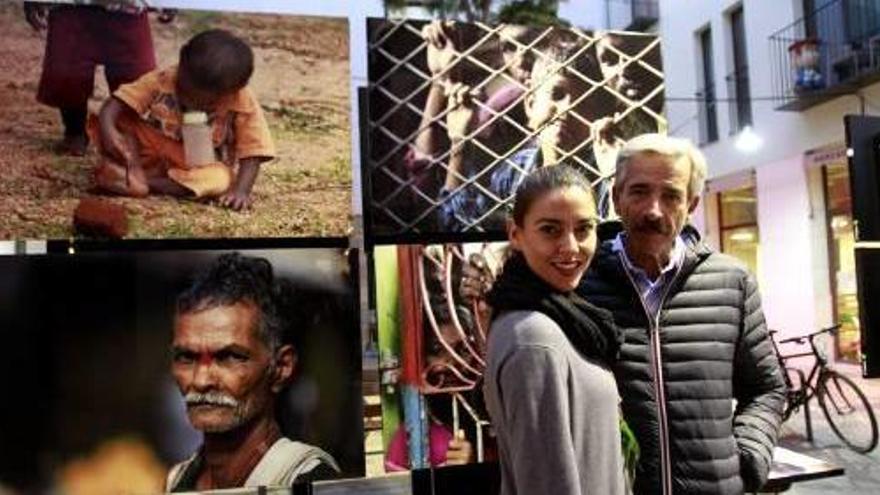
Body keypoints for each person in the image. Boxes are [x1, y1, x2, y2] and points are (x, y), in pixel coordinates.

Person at [582, 134, 786, 494]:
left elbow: (766, 388)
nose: (653, 210)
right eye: (639, 191)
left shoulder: (731, 281)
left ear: (691, 203)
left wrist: (749, 460)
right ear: (616, 197)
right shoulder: (581, 284)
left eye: (671, 195)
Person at [483, 165, 626, 495]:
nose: (571, 246)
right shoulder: (534, 340)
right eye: (550, 230)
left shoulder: (560, 319)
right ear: (516, 234)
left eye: (584, 229)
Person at [166, 253, 339, 491]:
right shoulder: (178, 479)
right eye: (187, 357)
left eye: (229, 357)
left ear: (281, 368)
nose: (202, 380)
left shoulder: (308, 479)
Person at [90, 29, 275, 210]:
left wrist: (242, 191)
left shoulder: (242, 100)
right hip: (150, 150)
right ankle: (133, 169)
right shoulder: (163, 78)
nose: (190, 103)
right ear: (181, 64)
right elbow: (115, 104)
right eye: (184, 91)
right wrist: (109, 132)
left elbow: (253, 152)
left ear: (234, 90)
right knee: (119, 118)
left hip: (194, 166)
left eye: (206, 103)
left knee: (220, 179)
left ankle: (139, 181)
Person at [24, 1, 163, 156]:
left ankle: (125, 133)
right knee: (68, 73)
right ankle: (74, 130)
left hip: (128, 9)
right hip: (72, 8)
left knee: (135, 75)